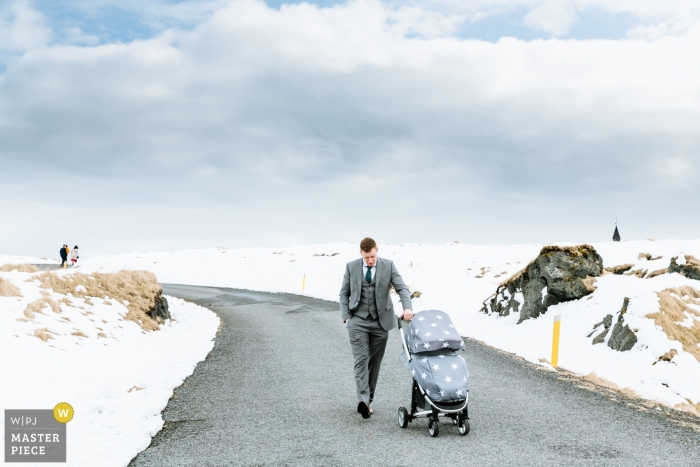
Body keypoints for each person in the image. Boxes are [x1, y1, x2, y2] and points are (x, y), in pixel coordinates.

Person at [339, 237, 413, 419]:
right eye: (366, 258)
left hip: (381, 322)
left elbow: (402, 288)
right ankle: (362, 400)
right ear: (361, 254)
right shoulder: (351, 267)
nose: (370, 260)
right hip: (358, 320)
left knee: (374, 362)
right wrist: (346, 316)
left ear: (377, 250)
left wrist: (407, 308)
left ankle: (368, 401)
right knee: (361, 359)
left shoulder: (388, 265)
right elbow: (344, 293)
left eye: (372, 256)